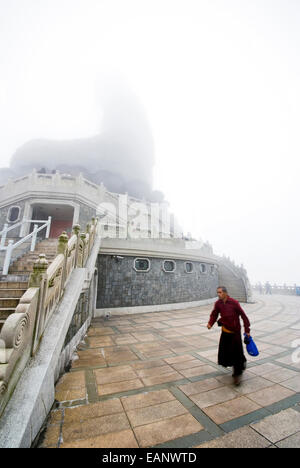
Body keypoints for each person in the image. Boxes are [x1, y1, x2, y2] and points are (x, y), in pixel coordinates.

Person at [207, 286, 251, 386]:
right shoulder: (218, 303)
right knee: (226, 352)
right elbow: (214, 314)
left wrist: (247, 330)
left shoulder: (234, 303)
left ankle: (237, 374)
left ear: (226, 293)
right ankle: (242, 360)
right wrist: (210, 323)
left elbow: (244, 316)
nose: (218, 294)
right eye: (217, 293)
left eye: (220, 292)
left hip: (235, 332)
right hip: (225, 331)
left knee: (236, 353)